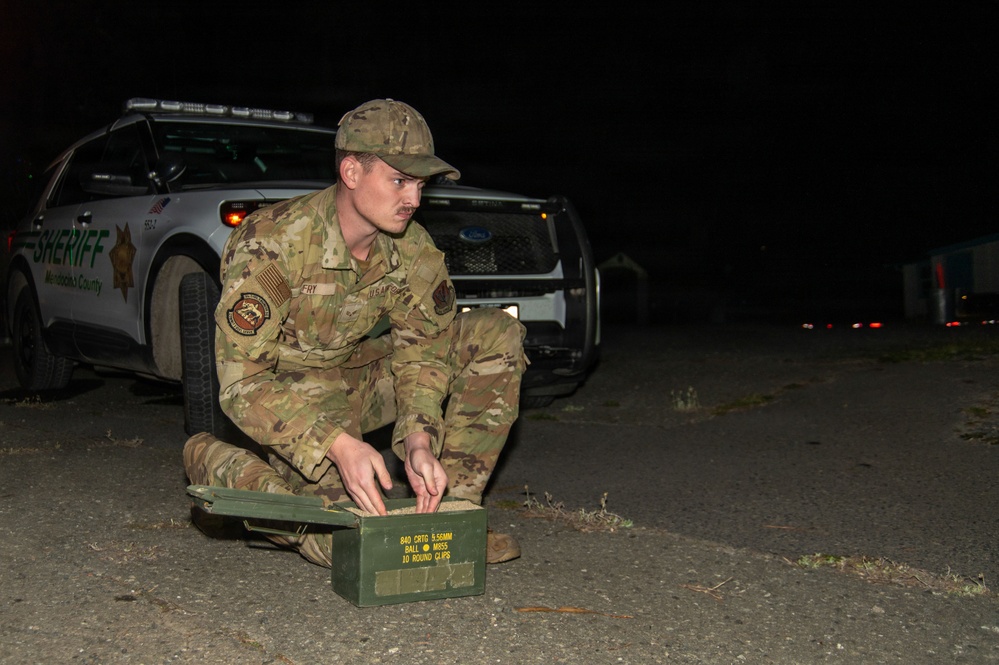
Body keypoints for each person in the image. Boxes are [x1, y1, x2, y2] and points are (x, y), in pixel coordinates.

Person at [183, 99, 527, 566]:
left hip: (360, 378)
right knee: (346, 545)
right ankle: (219, 463)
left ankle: (452, 519)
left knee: (496, 333)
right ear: (351, 172)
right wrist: (338, 445)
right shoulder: (273, 243)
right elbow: (242, 384)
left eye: (421, 184)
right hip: (289, 398)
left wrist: (420, 439)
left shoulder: (412, 248)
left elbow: (424, 352)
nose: (414, 200)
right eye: (400, 181)